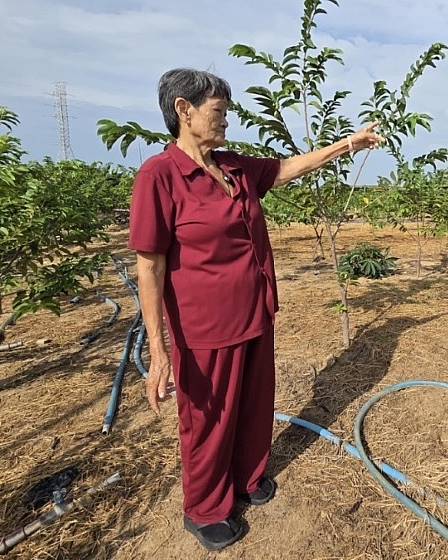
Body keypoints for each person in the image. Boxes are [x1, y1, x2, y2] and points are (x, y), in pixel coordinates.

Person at [127, 68, 384, 552]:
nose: (226, 119)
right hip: (204, 327)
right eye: (218, 111)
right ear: (184, 110)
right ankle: (204, 507)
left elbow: (286, 168)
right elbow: (150, 267)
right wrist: (158, 350)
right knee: (208, 419)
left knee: (252, 404)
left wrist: (347, 144)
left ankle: (246, 477)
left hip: (254, 313)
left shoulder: (234, 167)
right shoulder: (160, 176)